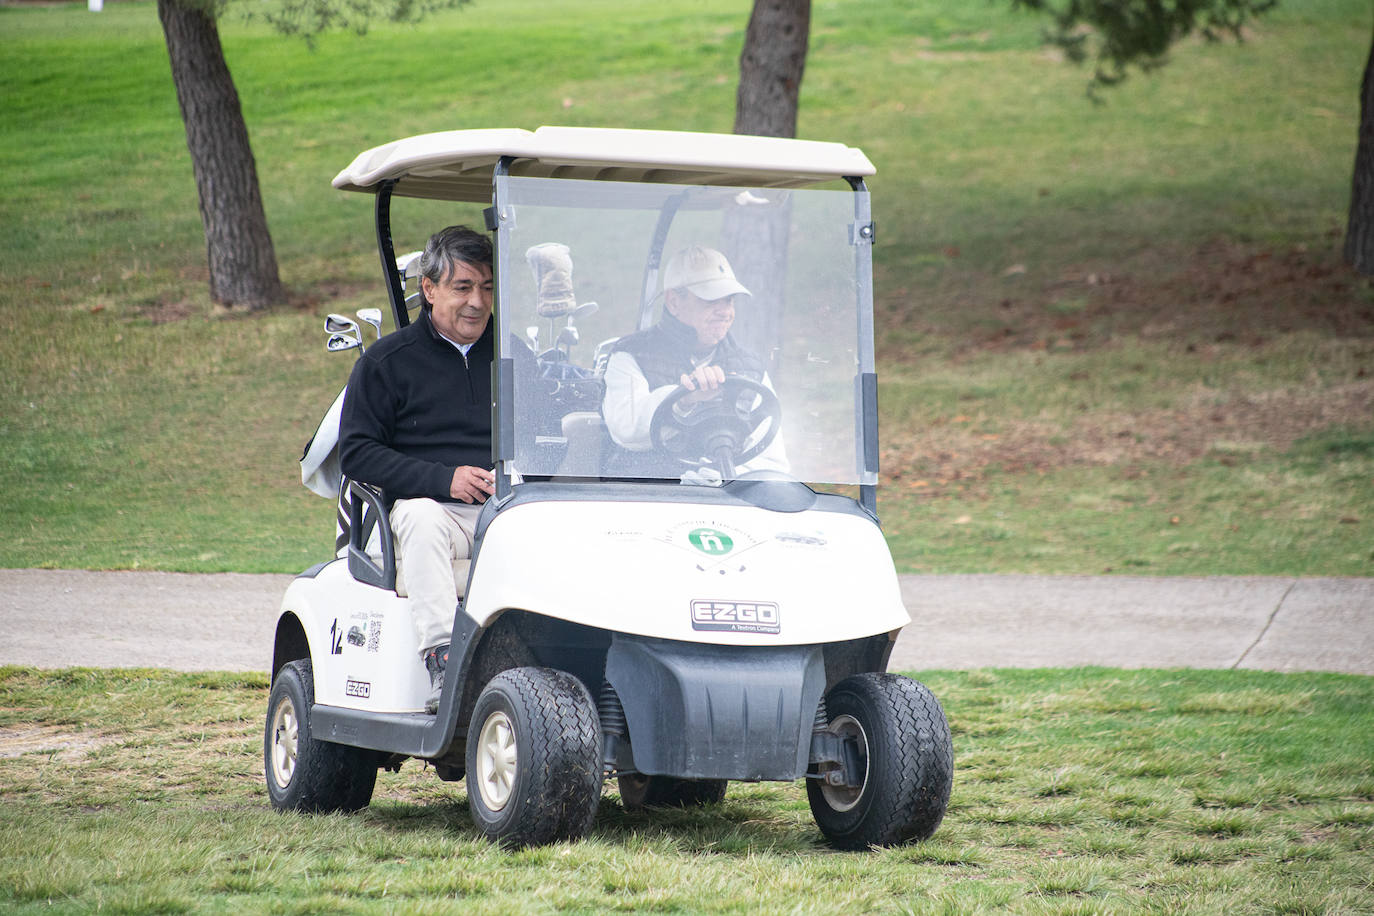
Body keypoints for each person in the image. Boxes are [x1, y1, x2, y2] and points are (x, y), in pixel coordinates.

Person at [338, 225, 496, 714]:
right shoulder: (388, 363)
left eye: (487, 288)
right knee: (422, 519)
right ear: (429, 290)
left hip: (507, 508)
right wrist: (443, 479)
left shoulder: (513, 357)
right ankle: (444, 660)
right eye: (463, 287)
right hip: (433, 513)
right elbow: (357, 453)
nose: (477, 302)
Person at [601, 245, 787, 479]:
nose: (725, 312)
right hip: (644, 494)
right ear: (674, 302)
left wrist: (727, 477)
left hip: (723, 503)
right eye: (711, 300)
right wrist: (684, 400)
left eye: (729, 300)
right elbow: (627, 430)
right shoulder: (631, 355)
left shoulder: (750, 369)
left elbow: (771, 462)